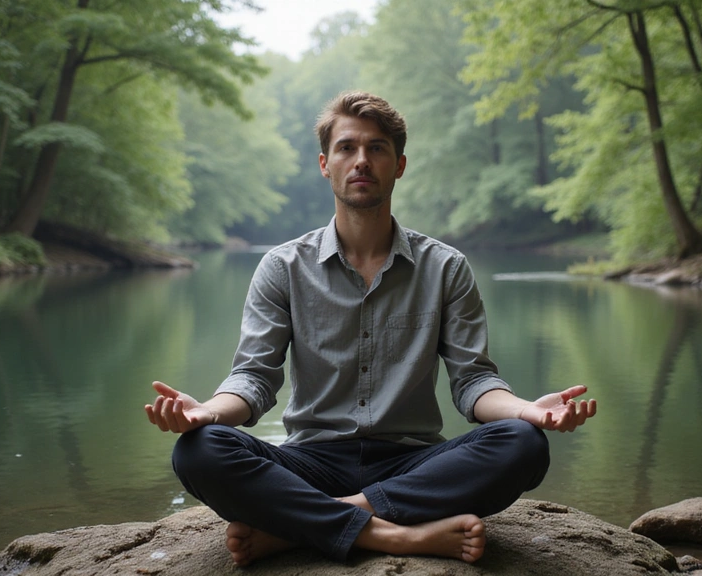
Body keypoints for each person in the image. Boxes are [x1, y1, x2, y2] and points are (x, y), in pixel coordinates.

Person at [145, 91, 597, 566]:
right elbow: (254, 379)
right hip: (310, 462)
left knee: (523, 444)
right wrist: (207, 414)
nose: (361, 161)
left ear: (399, 165)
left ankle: (307, 528)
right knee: (198, 451)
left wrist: (527, 410)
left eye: (377, 148)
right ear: (325, 163)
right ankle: (399, 536)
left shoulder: (445, 267)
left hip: (413, 461)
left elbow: (473, 383)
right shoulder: (282, 267)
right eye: (347, 148)